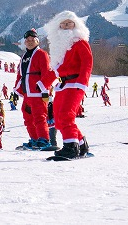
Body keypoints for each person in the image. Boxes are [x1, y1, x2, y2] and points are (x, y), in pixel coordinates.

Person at [45, 11, 93, 159]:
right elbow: (55, 69)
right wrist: (42, 85)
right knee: (59, 118)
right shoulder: (60, 48)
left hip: (75, 84)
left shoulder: (80, 42)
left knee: (66, 116)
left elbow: (87, 63)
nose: (66, 26)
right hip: (63, 85)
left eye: (69, 23)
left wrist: (82, 82)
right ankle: (81, 144)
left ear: (76, 24)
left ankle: (71, 147)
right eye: (63, 24)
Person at [14, 28, 56, 151]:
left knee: (39, 117)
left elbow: (46, 73)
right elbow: (20, 75)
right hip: (27, 94)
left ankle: (43, 139)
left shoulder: (41, 54)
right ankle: (34, 139)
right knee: (28, 117)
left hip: (38, 93)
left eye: (32, 40)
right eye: (27, 40)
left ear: (37, 41)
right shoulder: (24, 57)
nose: (30, 42)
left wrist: (45, 91)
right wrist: (16, 91)